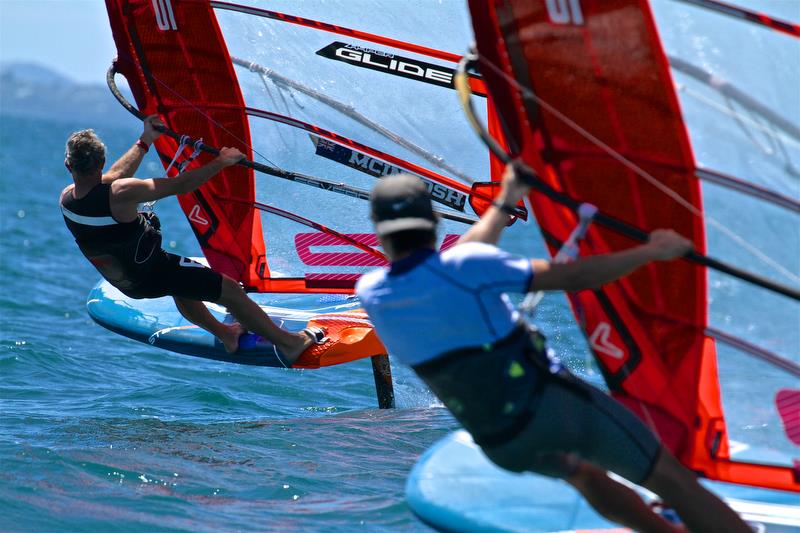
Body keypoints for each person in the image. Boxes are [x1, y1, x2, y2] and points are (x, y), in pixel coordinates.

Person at [355, 166, 751, 533]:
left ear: (378, 230)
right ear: (435, 222)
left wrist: (508, 199)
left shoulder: (371, 292)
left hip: (502, 441)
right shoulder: (467, 265)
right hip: (555, 411)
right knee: (671, 478)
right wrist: (651, 251)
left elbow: (463, 259)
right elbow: (575, 276)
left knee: (582, 473)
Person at [60, 116, 322, 363]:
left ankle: (226, 334)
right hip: (152, 272)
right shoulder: (120, 193)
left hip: (127, 281)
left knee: (183, 284)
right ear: (101, 162)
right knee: (230, 290)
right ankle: (289, 343)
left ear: (68, 165)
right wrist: (222, 161)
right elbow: (180, 185)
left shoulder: (67, 198)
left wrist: (145, 140)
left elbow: (114, 177)